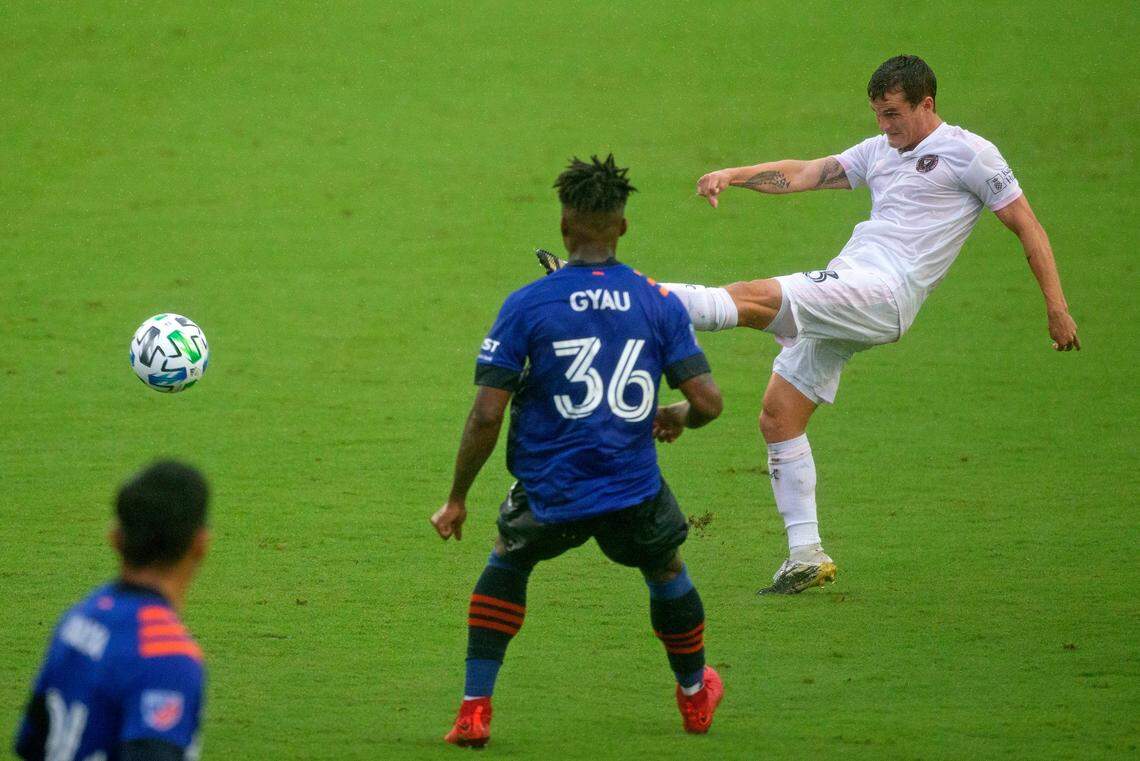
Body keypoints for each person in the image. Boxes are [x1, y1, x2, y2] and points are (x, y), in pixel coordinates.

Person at [537, 56, 1080, 595]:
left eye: (893, 114)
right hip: (853, 283)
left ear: (927, 104)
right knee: (779, 415)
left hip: (882, 292)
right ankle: (806, 556)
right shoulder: (880, 151)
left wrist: (1056, 307)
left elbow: (1026, 226)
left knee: (750, 299)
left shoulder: (971, 154)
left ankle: (615, 292)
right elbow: (802, 174)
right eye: (877, 114)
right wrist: (735, 174)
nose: (884, 126)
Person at [431, 154, 725, 748]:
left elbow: (488, 412)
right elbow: (710, 403)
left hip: (549, 485)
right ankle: (694, 695)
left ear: (565, 228)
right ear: (622, 226)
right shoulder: (657, 302)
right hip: (631, 485)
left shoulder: (527, 305)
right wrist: (678, 414)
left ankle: (473, 710)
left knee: (508, 563)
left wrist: (457, 498)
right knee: (664, 569)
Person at [14, 461, 210, 761]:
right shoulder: (167, 657)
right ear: (200, 545)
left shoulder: (79, 619)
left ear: (116, 538)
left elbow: (30, 743)